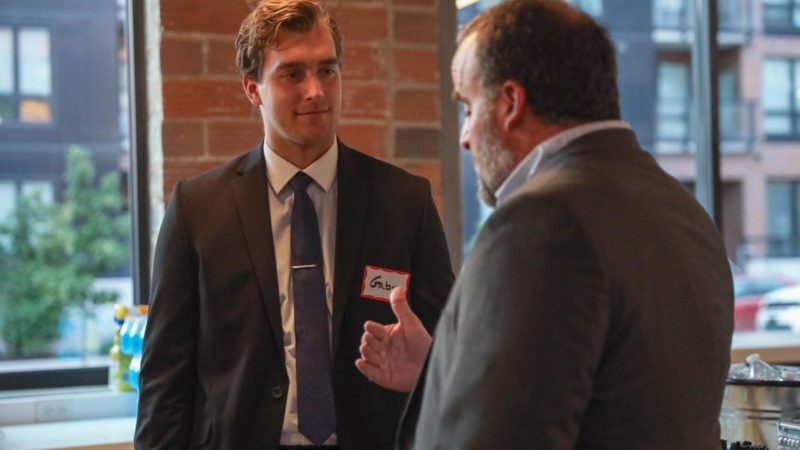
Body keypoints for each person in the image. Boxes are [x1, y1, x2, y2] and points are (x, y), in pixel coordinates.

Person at [356, 1, 734, 448]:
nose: (464, 136)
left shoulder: (541, 222)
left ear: (510, 104)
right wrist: (443, 371)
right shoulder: (683, 210)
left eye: (468, 107)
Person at [134, 1, 454, 449]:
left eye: (328, 70)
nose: (316, 91)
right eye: (292, 74)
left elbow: (450, 351)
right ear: (253, 89)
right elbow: (165, 380)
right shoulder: (197, 208)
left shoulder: (405, 201)